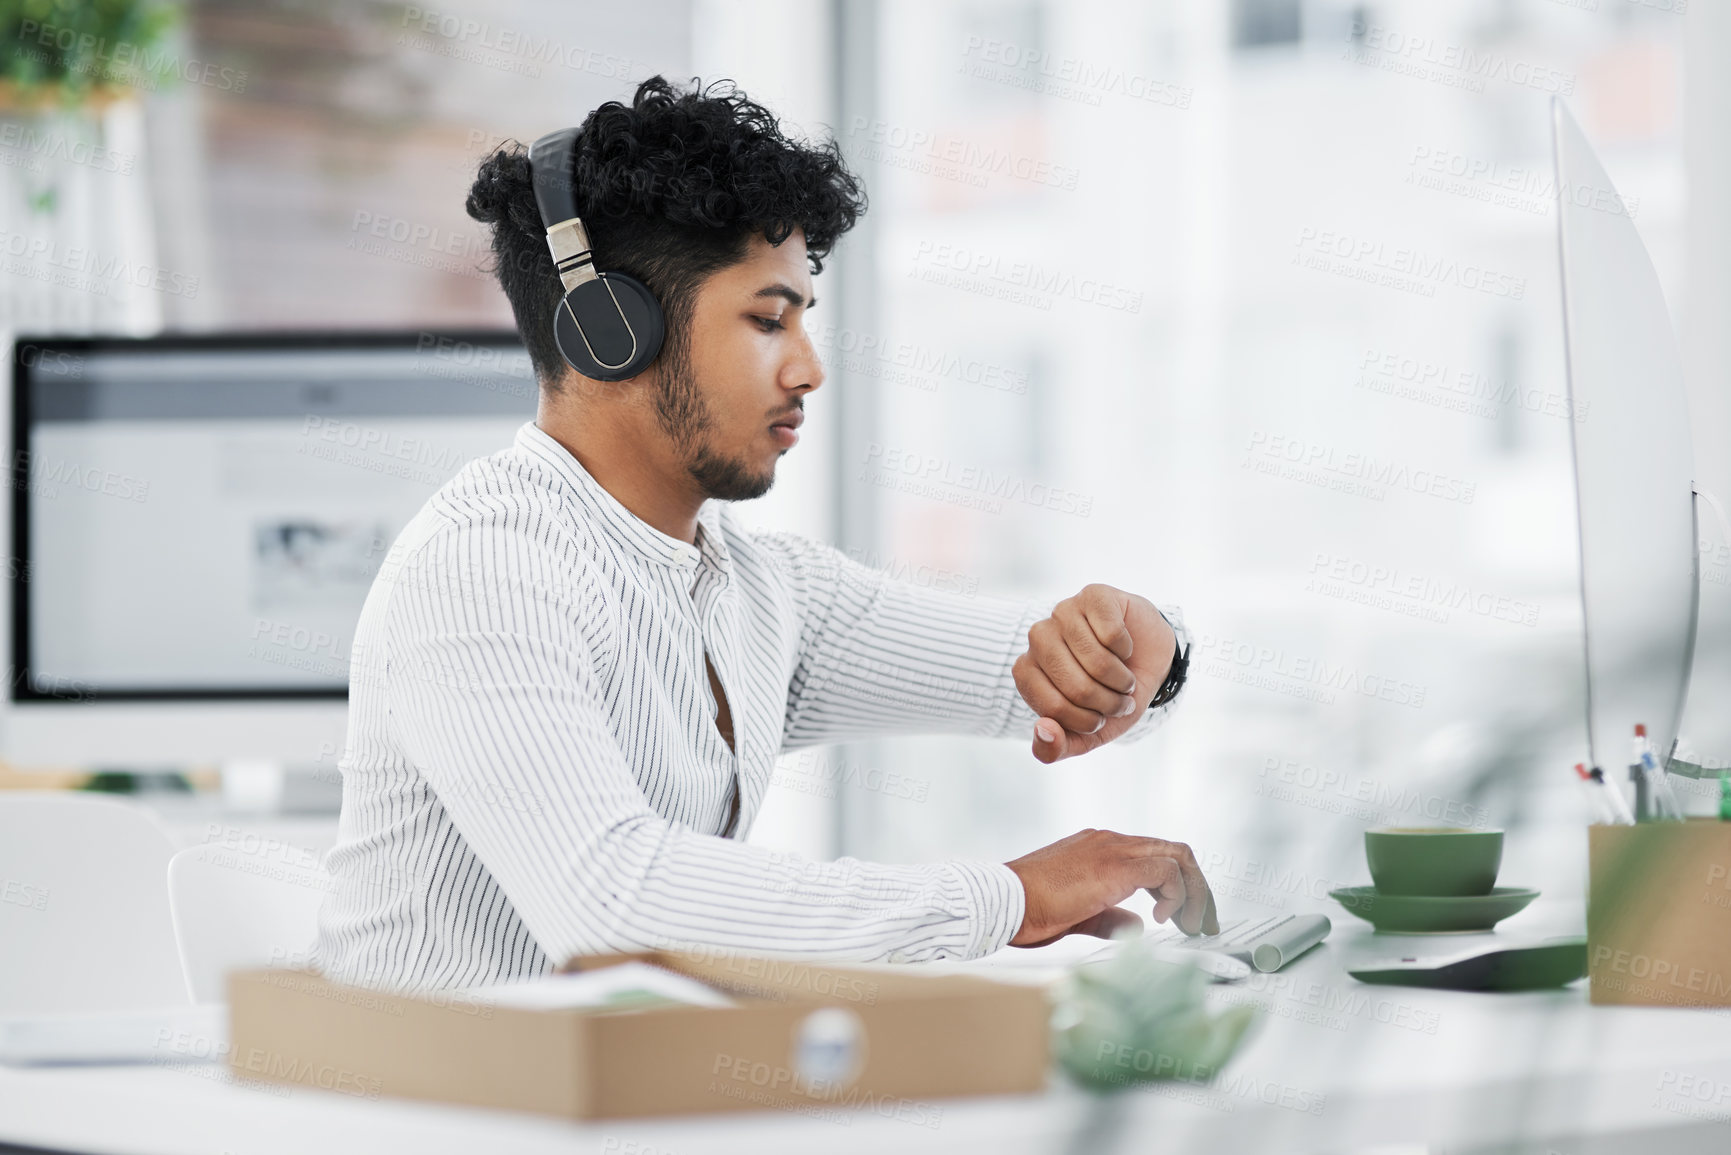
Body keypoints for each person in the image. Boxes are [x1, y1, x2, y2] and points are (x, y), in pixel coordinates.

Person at [313, 76, 1214, 991]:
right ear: (609, 329)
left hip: (623, 1109)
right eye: (766, 319)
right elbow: (615, 904)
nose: (810, 368)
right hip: (435, 1115)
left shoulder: (761, 591)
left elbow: (1031, 676)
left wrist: (1143, 642)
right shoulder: (485, 567)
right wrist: (1009, 898)